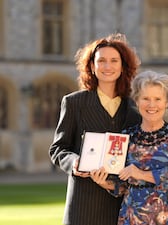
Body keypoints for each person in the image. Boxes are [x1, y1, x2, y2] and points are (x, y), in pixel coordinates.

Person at [49, 33, 141, 225]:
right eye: (102, 61)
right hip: (83, 204)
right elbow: (58, 149)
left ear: (123, 66)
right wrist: (74, 162)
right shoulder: (74, 103)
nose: (108, 66)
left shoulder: (135, 109)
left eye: (114, 60)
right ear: (92, 66)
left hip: (121, 205)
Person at [90, 70, 168, 225]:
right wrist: (102, 181)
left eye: (158, 99)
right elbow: (122, 185)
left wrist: (140, 174)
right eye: (145, 98)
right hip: (132, 218)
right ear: (137, 101)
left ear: (167, 103)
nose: (152, 105)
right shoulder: (125, 136)